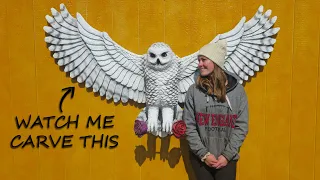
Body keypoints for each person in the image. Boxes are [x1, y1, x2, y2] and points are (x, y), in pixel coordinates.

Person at [183, 40, 249, 180]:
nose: (199, 64)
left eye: (204, 60)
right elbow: (189, 125)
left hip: (227, 159)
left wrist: (227, 155)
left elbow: (241, 126)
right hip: (200, 159)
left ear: (216, 61)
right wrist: (204, 154)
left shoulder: (237, 92)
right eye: (199, 60)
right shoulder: (193, 91)